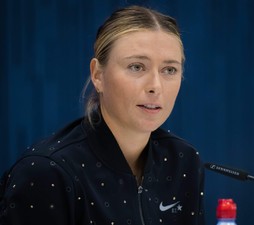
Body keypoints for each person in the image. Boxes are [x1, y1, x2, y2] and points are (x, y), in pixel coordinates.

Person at [0, 5, 205, 225]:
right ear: (98, 75)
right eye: (136, 67)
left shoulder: (184, 160)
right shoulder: (48, 172)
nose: (156, 86)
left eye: (169, 70)